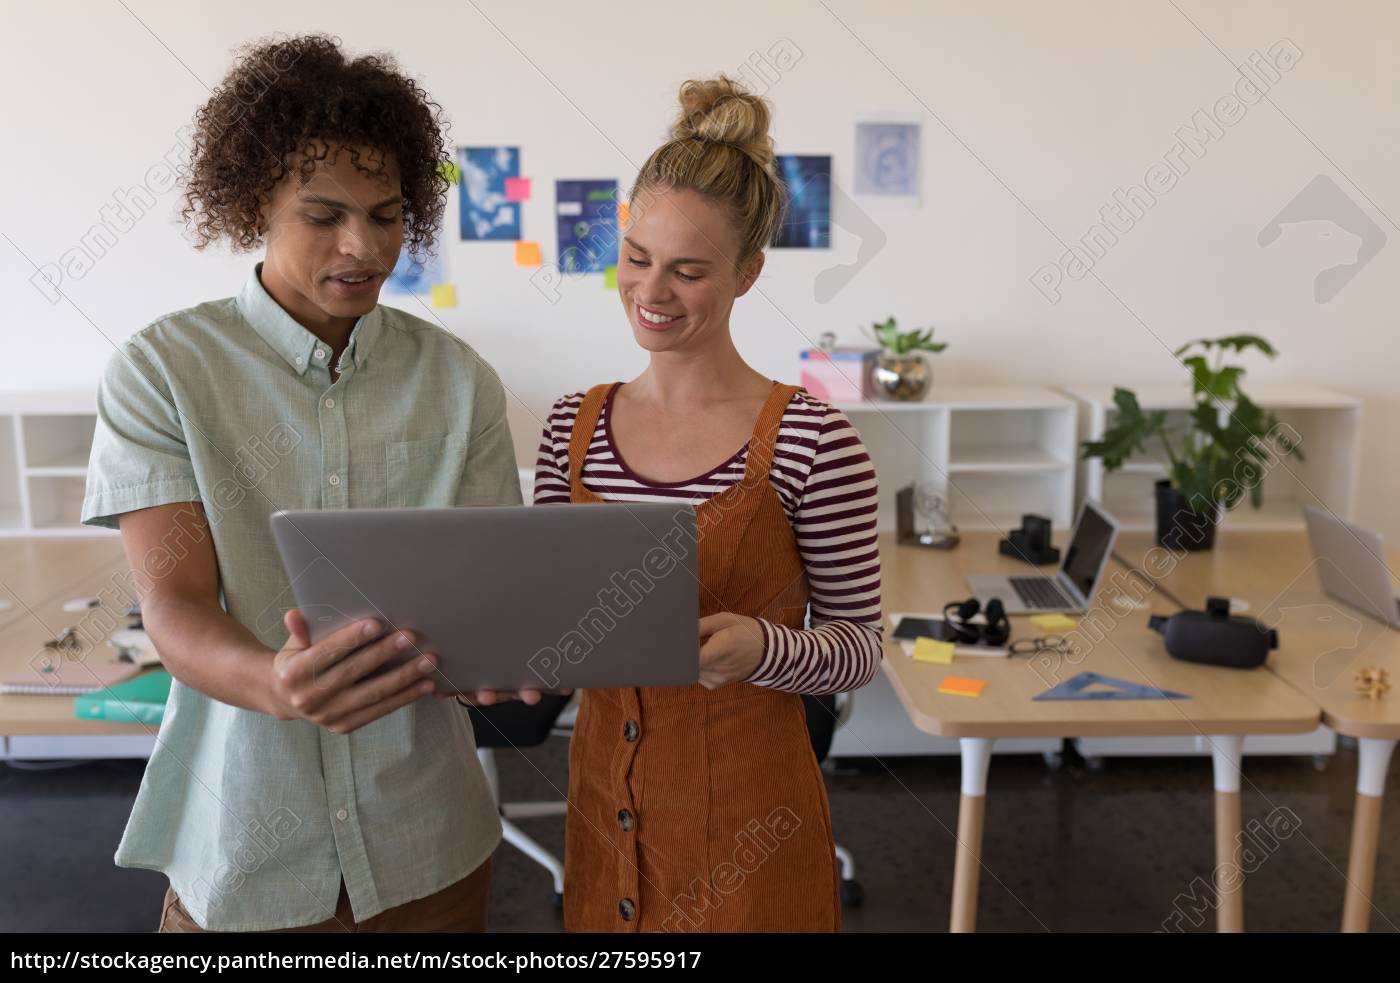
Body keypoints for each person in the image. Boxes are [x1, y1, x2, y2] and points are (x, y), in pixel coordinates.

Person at [81, 34, 523, 933]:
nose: (364, 246)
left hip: (430, 848)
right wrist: (275, 682)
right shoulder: (162, 369)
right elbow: (172, 607)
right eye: (323, 214)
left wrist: (498, 656)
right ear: (255, 206)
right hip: (247, 851)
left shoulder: (459, 378)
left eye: (388, 214)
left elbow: (486, 589)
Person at [532, 76, 883, 932]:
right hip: (603, 809)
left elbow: (861, 649)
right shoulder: (569, 429)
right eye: (638, 258)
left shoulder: (811, 440)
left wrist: (762, 647)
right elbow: (546, 618)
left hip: (749, 824)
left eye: (689, 271)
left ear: (748, 272)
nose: (652, 290)